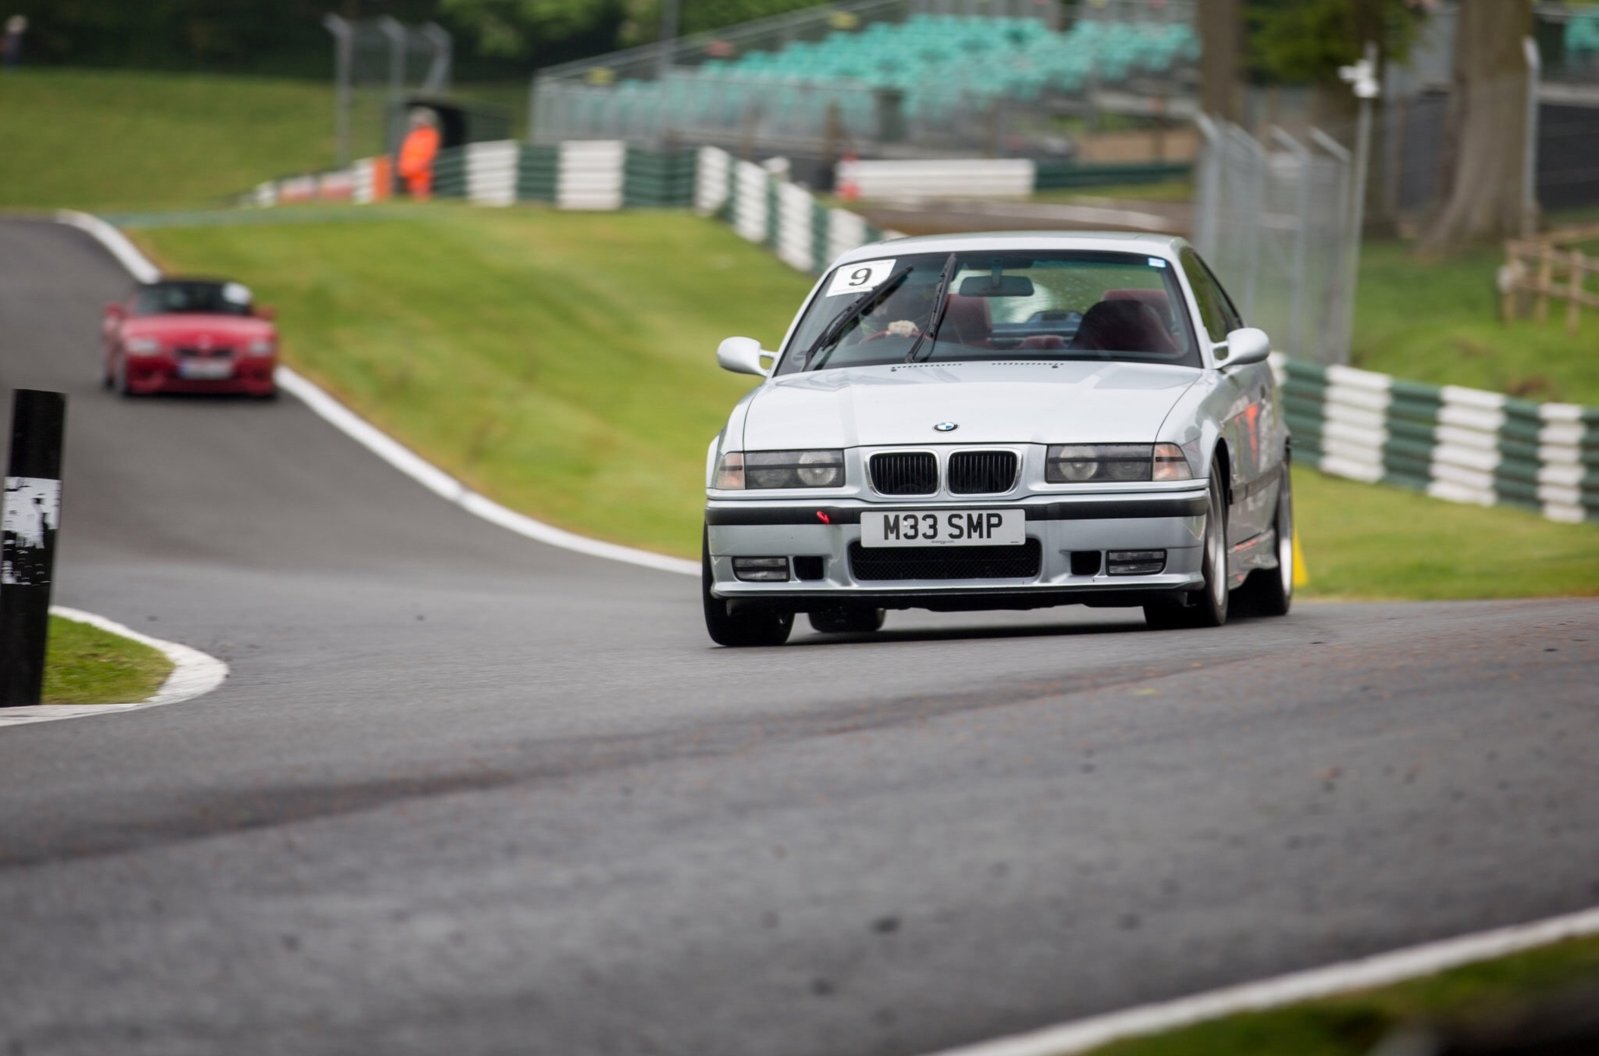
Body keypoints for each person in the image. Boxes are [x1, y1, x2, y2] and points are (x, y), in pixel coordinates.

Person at [397, 107, 440, 201]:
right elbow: (405, 152)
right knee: (411, 196)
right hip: (409, 171)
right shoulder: (413, 135)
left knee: (421, 195)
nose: (416, 124)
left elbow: (429, 154)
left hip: (421, 173)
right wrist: (404, 167)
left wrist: (417, 167)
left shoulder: (431, 135)